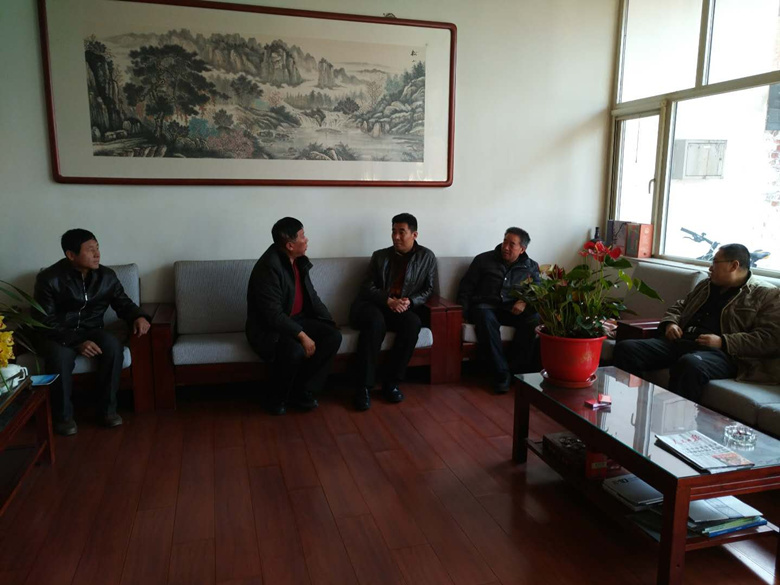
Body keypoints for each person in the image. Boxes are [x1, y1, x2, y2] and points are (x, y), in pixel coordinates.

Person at [614, 243, 780, 401]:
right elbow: (680, 306)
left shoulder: (766, 295)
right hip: (682, 342)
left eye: (715, 262)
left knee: (690, 364)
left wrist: (723, 342)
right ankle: (634, 402)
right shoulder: (707, 285)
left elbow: (769, 339)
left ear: (734, 265)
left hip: (723, 355)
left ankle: (675, 419)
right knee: (626, 349)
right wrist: (671, 323)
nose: (710, 268)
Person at [34, 229, 152, 436]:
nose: (97, 254)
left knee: (113, 347)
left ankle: (107, 411)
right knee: (59, 358)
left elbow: (123, 303)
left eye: (97, 248)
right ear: (71, 255)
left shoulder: (106, 276)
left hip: (92, 329)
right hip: (59, 334)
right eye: (90, 250)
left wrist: (139, 316)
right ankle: (63, 417)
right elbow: (44, 320)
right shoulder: (49, 279)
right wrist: (77, 342)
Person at [246, 217, 342, 415]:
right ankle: (277, 398)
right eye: (302, 236)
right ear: (290, 245)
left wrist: (330, 321)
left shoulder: (299, 261)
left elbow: (312, 297)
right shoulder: (269, 267)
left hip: (296, 320)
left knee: (332, 336)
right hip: (269, 329)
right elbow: (273, 315)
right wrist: (302, 336)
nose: (306, 240)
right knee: (294, 350)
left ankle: (303, 390)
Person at [350, 213, 436, 411]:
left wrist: (410, 301)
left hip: (400, 307)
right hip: (372, 305)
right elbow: (366, 287)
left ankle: (392, 382)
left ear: (414, 234)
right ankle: (363, 387)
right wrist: (388, 300)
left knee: (413, 323)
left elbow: (428, 289)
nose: (396, 237)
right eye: (393, 231)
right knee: (375, 322)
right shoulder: (380, 256)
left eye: (401, 232)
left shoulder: (427, 257)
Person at [457, 227, 541, 393]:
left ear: (522, 249)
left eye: (512, 244)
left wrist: (524, 301)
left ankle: (516, 370)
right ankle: (501, 374)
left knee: (533, 318)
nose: (506, 247)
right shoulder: (483, 260)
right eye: (504, 241)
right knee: (485, 317)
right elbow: (466, 288)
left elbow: (537, 290)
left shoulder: (531, 266)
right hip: (485, 307)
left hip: (511, 309)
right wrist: (462, 313)